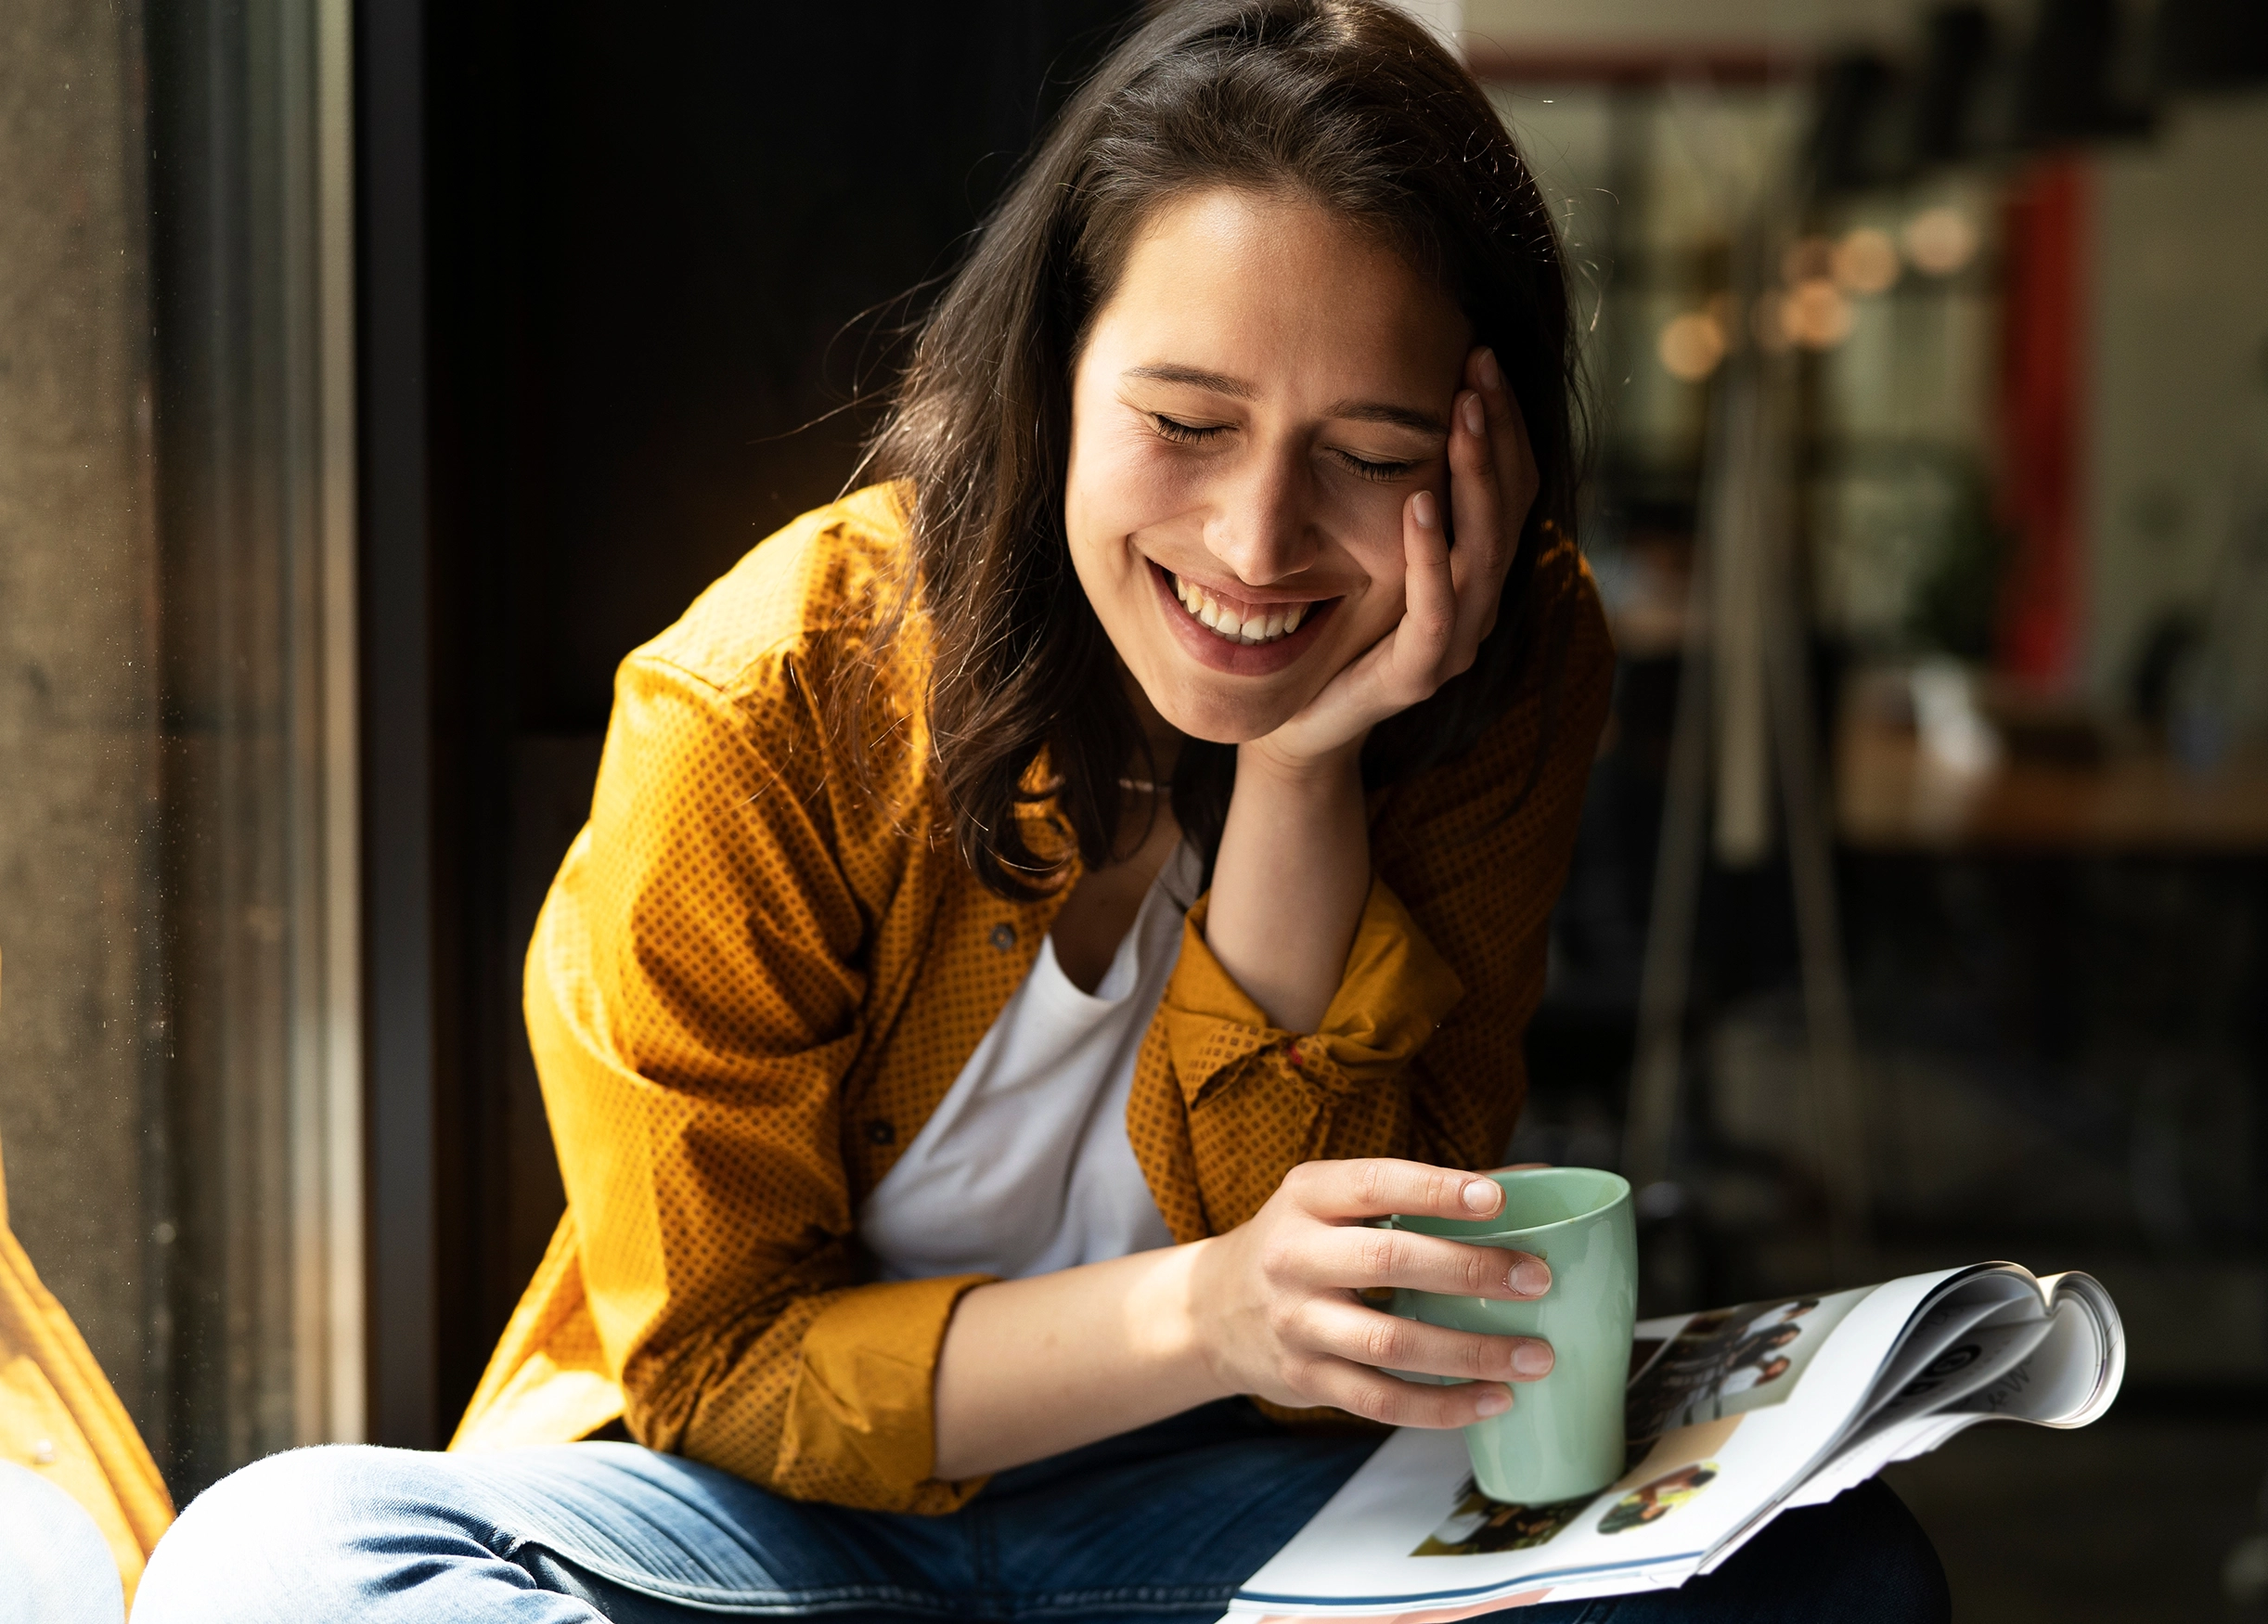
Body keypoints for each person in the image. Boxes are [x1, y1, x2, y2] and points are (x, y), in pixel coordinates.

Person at [133, 3, 1946, 1619]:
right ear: (1052, 381)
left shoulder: (1497, 668)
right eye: (1184, 420)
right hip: (754, 1517)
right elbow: (727, 1369)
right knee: (274, 1558)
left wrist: (1306, 764)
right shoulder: (766, 700)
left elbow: (1327, 1370)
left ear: (1474, 458)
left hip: (1231, 1497)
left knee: (1834, 1572)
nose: (1254, 547)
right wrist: (1207, 1307)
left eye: (1373, 457)